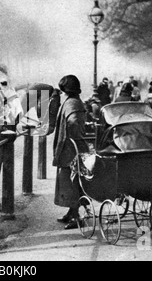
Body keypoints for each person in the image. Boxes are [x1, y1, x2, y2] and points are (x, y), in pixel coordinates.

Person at [53, 75, 89, 229]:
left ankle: (76, 216)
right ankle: (71, 211)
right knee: (70, 180)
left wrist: (70, 136)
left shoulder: (72, 103)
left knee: (71, 181)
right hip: (72, 147)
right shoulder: (74, 101)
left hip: (71, 148)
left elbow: (74, 122)